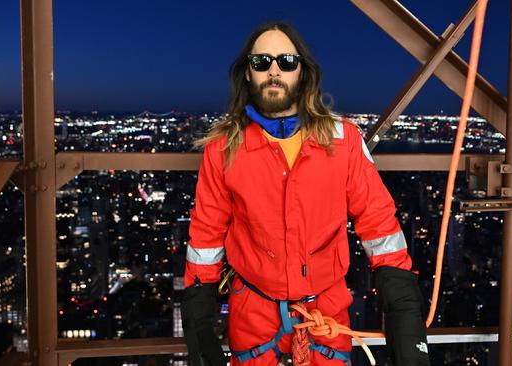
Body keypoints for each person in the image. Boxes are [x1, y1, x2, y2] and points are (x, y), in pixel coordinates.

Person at [180, 21, 430, 365]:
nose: (273, 71)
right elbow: (206, 238)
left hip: (326, 316)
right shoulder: (223, 149)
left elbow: (380, 227)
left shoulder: (343, 142)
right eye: (261, 62)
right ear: (247, 74)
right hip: (252, 316)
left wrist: (404, 313)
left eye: (286, 61)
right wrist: (198, 321)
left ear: (302, 72)